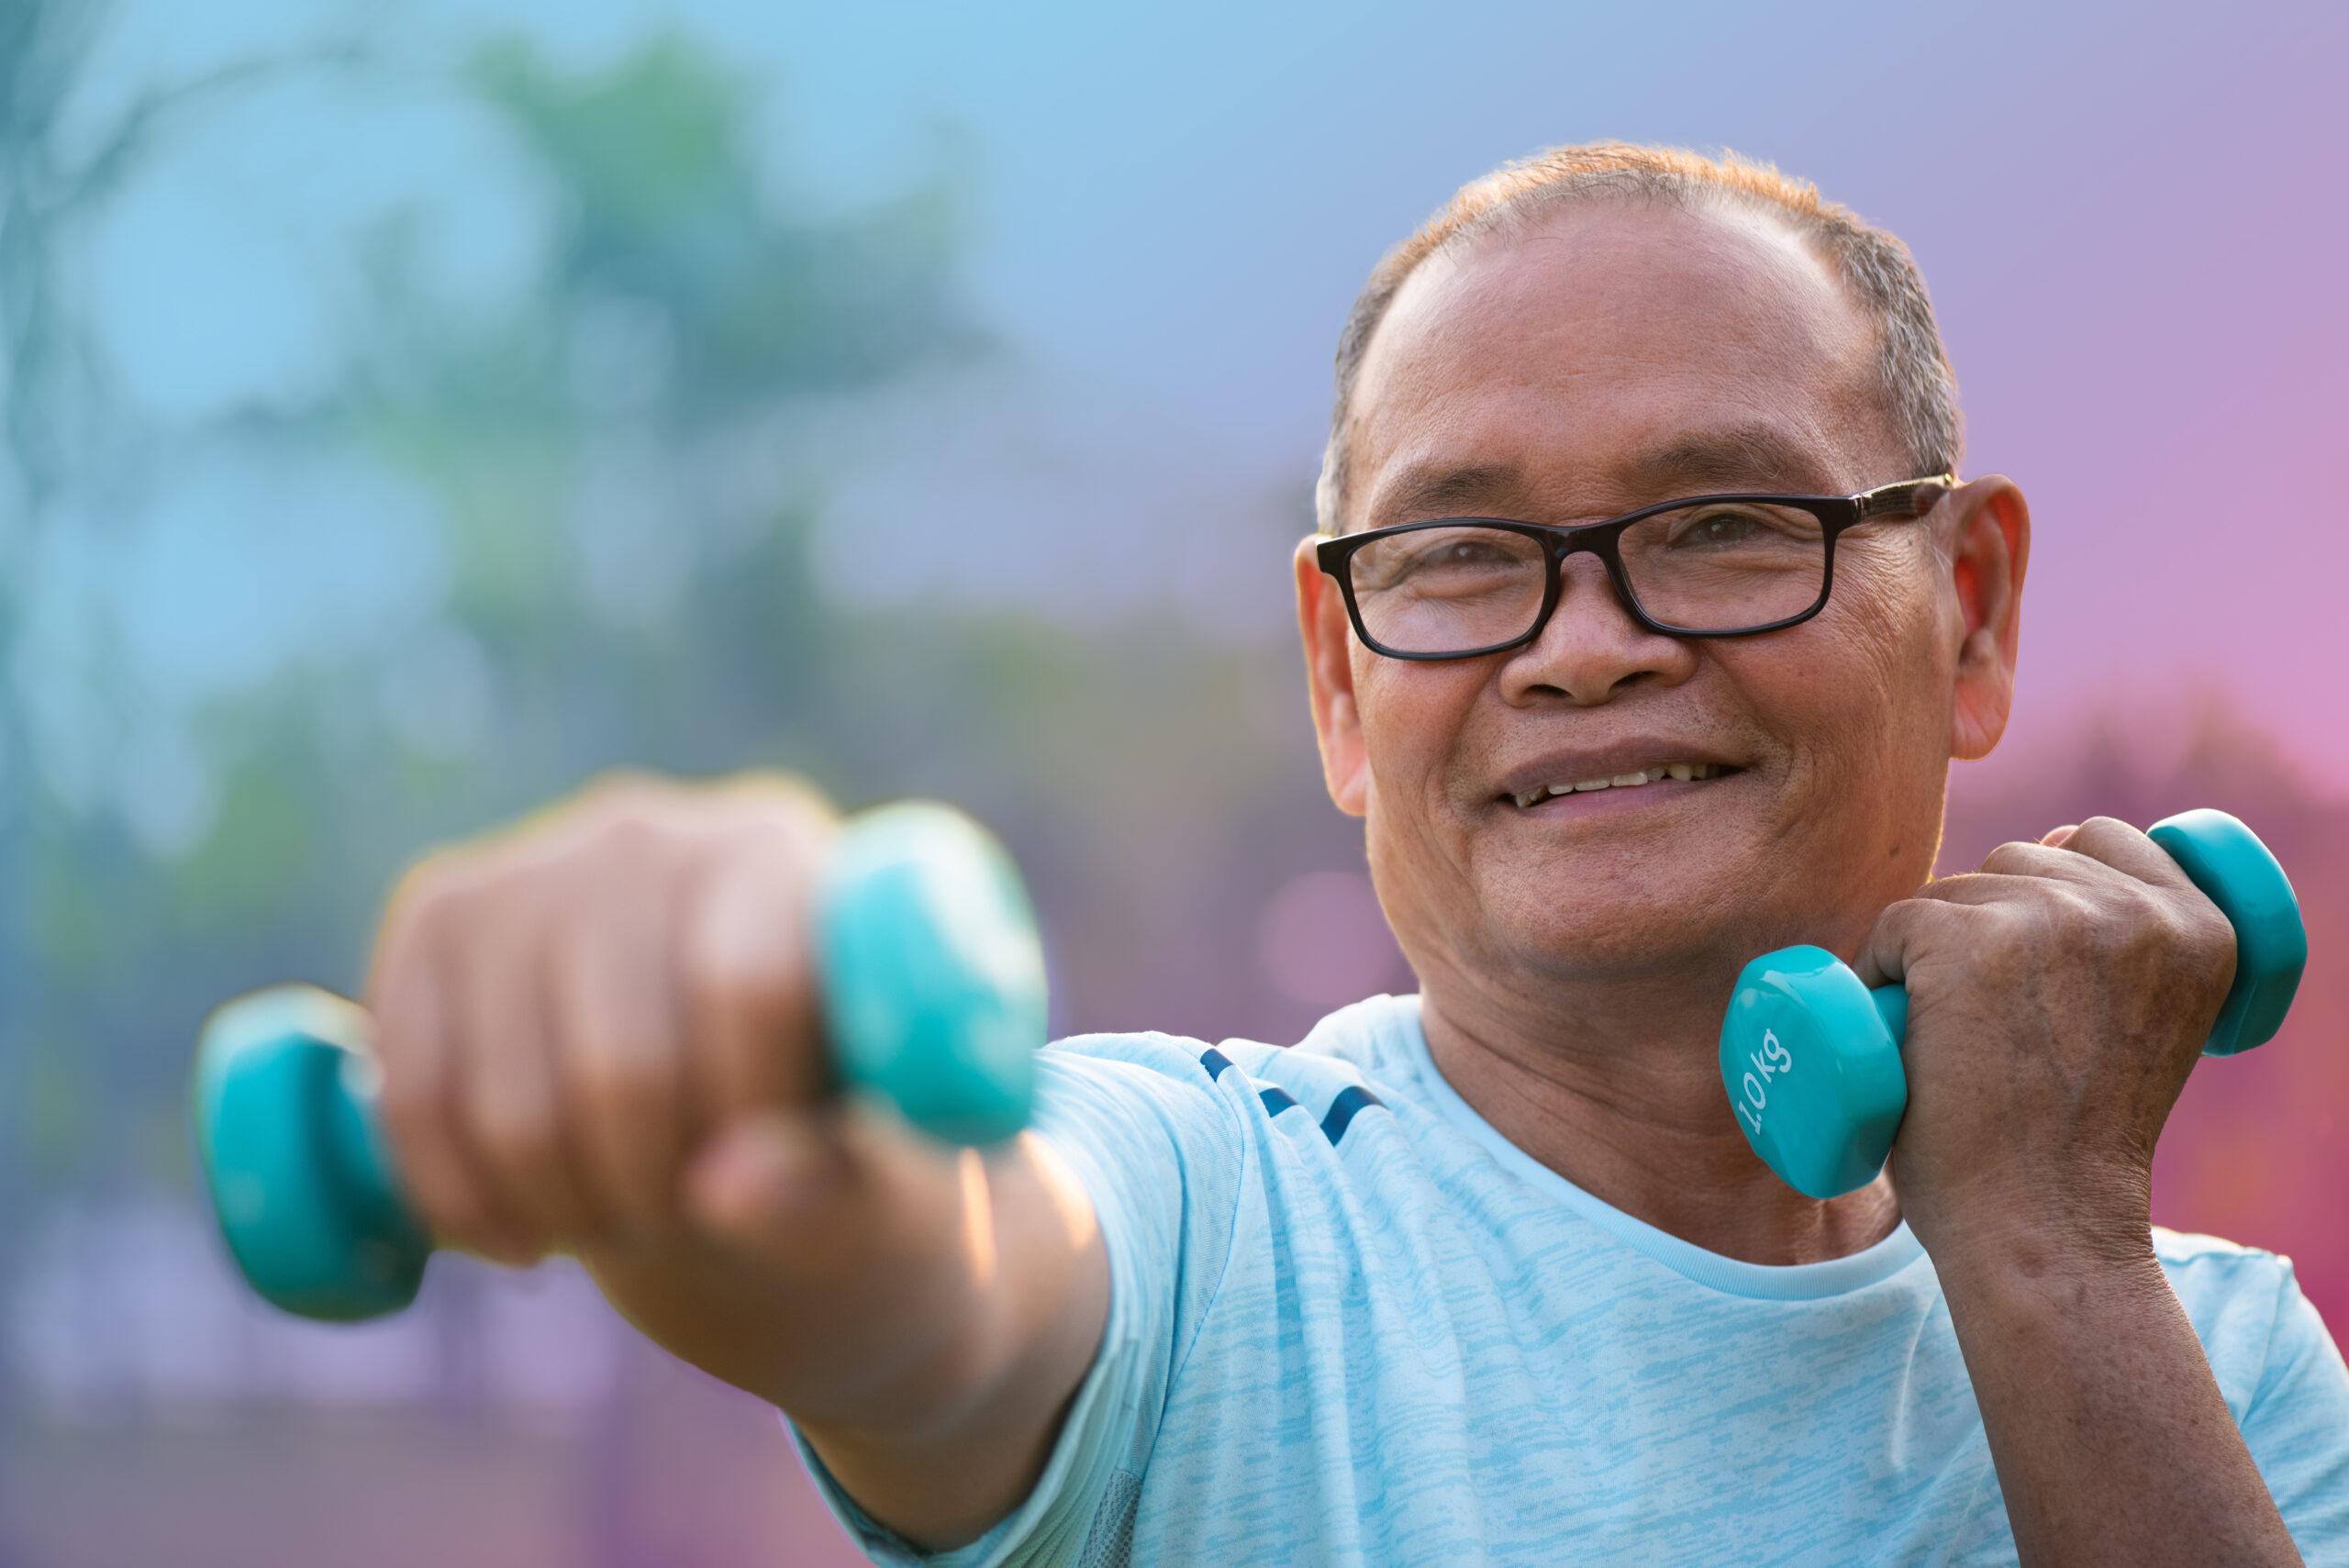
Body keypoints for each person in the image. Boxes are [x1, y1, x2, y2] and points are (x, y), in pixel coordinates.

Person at [362, 143, 2349, 1565]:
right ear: (1337, 679)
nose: (1583, 646)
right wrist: (734, 1141)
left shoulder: (2218, 1355)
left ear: (1973, 610)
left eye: (1727, 522)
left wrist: (2043, 1258)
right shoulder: (1203, 1208)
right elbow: (933, 1274)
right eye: (1459, 558)